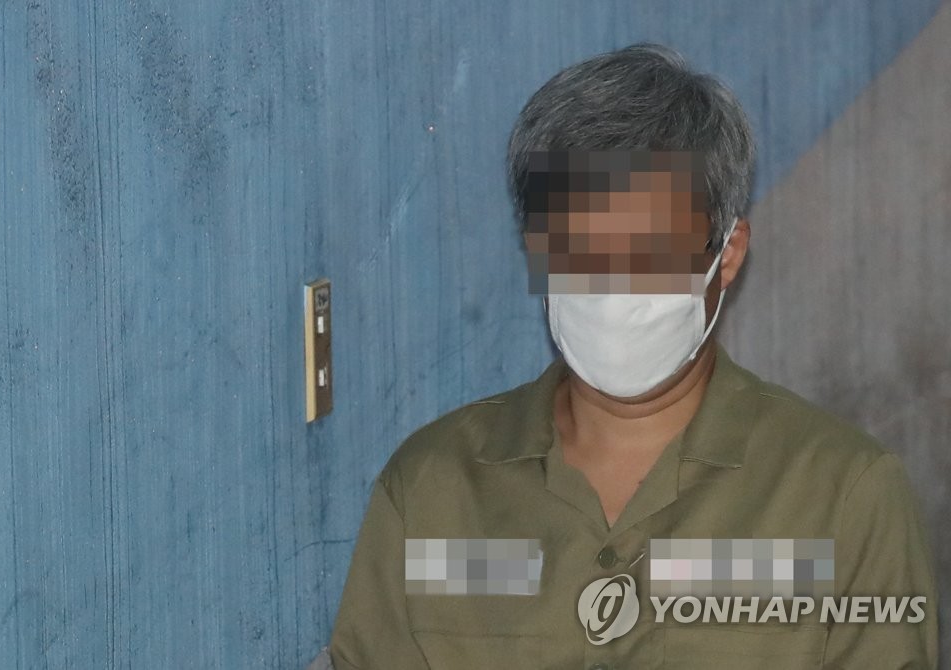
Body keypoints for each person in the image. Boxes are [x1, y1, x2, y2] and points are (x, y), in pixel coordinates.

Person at [327, 43, 938, 669]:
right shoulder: (432, 491)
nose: (612, 281)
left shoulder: (842, 497)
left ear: (726, 255)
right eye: (577, 243)